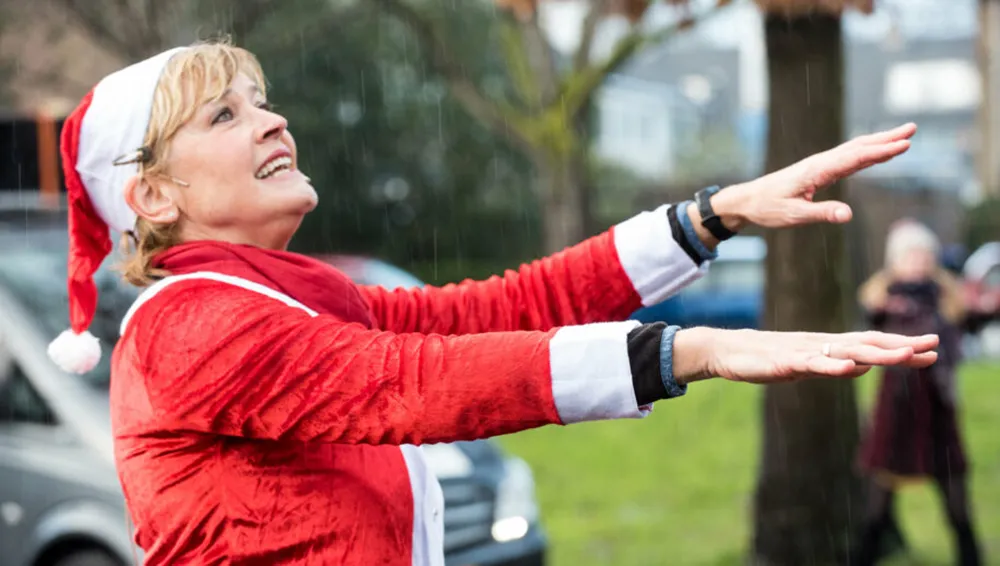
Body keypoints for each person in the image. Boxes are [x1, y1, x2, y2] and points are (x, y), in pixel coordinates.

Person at [46, 41, 938, 566]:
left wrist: (713, 214)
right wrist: (686, 351)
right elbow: (414, 384)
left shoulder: (292, 295)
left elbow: (496, 311)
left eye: (264, 104)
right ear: (152, 199)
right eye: (224, 118)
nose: (274, 122)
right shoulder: (187, 328)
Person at [853, 219, 983, 566]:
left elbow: (974, 321)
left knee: (956, 499)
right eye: (911, 254)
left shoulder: (949, 299)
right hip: (896, 407)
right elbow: (875, 320)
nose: (919, 261)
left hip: (938, 404)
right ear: (895, 260)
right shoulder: (881, 303)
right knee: (877, 501)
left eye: (924, 253)